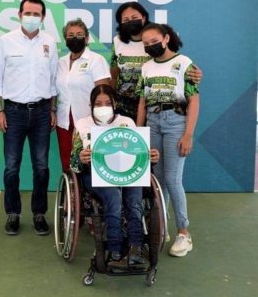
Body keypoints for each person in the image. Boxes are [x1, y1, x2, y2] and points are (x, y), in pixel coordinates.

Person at [70, 84, 160, 269]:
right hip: (95, 175)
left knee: (134, 197)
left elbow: (139, 156)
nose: (103, 107)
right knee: (114, 196)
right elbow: (73, 164)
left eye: (107, 103)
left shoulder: (127, 122)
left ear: (115, 104)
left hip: (127, 174)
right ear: (91, 105)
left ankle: (135, 248)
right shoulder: (82, 125)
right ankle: (115, 250)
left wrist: (151, 158)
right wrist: (81, 158)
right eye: (98, 103)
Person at [0, 0, 58, 236]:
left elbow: (53, 81)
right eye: (27, 13)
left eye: (36, 14)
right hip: (13, 113)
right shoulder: (6, 41)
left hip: (41, 113)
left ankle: (39, 213)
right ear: (19, 15)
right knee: (11, 167)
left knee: (42, 167)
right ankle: (13, 213)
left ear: (43, 17)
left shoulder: (50, 42)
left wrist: (52, 110)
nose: (31, 18)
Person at [136, 23, 199, 257]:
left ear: (166, 39)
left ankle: (184, 232)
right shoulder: (146, 67)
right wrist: (139, 132)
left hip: (175, 122)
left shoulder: (184, 63)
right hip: (153, 122)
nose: (150, 46)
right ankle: (161, 225)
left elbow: (193, 100)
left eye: (154, 41)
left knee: (173, 179)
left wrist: (188, 134)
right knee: (159, 179)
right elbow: (143, 102)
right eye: (146, 44)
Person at [110, 2, 202, 120]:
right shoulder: (117, 41)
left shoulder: (156, 36)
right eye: (125, 19)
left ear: (143, 18)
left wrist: (195, 74)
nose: (130, 21)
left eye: (134, 17)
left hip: (152, 106)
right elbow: (114, 74)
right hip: (123, 106)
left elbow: (175, 63)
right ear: (120, 23)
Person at [56, 18, 110, 171]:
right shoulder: (61, 62)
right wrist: (52, 110)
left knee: (90, 163)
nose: (75, 38)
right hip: (64, 121)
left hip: (89, 120)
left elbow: (105, 92)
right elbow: (55, 91)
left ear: (86, 38)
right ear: (65, 39)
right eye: (71, 35)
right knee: (68, 163)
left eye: (79, 34)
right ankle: (70, 187)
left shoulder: (96, 60)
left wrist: (101, 116)